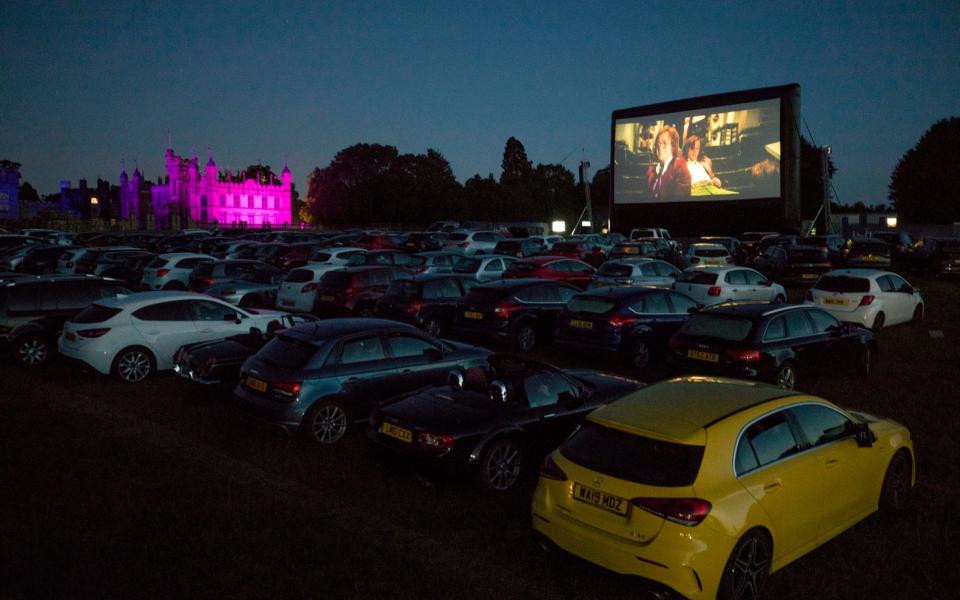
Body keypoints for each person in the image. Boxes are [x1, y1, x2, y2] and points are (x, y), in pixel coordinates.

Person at [646, 126, 691, 199]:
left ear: (673, 146)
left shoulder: (680, 167)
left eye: (664, 143)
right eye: (658, 143)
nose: (660, 147)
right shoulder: (651, 171)